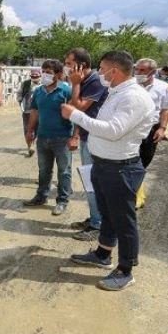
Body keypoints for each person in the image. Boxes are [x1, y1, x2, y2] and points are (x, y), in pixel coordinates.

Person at [61, 50, 155, 291]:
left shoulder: (133, 97)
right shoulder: (116, 93)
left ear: (114, 71)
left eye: (102, 69)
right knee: (108, 214)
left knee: (124, 221)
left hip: (121, 168)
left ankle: (125, 270)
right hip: (103, 165)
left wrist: (76, 116)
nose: (99, 73)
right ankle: (103, 254)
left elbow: (114, 130)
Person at [64, 48, 109, 240]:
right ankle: (94, 219)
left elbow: (79, 108)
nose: (66, 67)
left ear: (81, 65)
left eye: (68, 63)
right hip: (86, 137)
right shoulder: (84, 80)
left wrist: (74, 84)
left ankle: (98, 226)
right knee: (90, 181)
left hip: (95, 139)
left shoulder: (96, 81)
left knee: (93, 183)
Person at [23, 59, 73, 215]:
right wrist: (30, 130)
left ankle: (62, 201)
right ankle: (41, 196)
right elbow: (35, 112)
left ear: (58, 74)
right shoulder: (38, 91)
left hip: (63, 138)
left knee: (64, 171)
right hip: (43, 137)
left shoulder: (67, 91)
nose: (45, 75)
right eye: (43, 71)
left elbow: (75, 114)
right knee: (44, 170)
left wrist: (75, 136)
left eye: (49, 72)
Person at [134, 58, 168, 209]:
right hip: (131, 130)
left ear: (153, 71)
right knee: (133, 163)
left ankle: (138, 191)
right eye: (137, 69)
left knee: (144, 162)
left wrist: (162, 128)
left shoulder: (163, 87)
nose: (138, 73)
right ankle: (136, 196)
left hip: (152, 130)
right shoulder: (130, 85)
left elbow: (166, 109)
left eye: (142, 70)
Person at [17, 69, 41, 157]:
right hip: (27, 110)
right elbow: (19, 93)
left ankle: (34, 143)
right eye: (32, 76)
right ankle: (29, 146)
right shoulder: (26, 84)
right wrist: (20, 101)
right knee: (27, 129)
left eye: (36, 76)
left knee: (39, 128)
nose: (34, 78)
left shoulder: (44, 84)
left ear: (40, 76)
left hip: (40, 111)